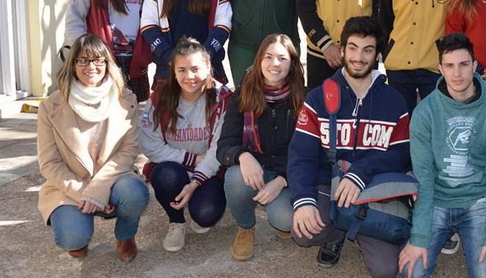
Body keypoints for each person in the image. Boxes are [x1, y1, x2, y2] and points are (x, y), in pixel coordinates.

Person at [288, 16, 411, 278]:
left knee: (385, 271)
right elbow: (301, 156)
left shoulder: (394, 100)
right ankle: (337, 234)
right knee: (304, 232)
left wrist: (361, 172)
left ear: (377, 54)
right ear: (342, 50)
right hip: (327, 185)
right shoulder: (318, 97)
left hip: (372, 189)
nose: (359, 57)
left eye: (367, 50)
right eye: (353, 48)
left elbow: (401, 154)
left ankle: (354, 224)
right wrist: (303, 201)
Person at [399, 34, 486, 278]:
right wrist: (419, 237)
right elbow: (423, 180)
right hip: (438, 199)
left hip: (476, 200)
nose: (457, 73)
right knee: (411, 272)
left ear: (475, 65)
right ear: (440, 69)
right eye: (449, 66)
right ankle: (443, 235)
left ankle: (472, 235)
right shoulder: (425, 112)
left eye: (463, 65)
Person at [37, 34, 150, 262]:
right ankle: (78, 234)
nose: (92, 67)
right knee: (72, 239)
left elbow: (128, 151)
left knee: (135, 193)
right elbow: (49, 163)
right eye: (83, 60)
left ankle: (125, 235)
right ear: (73, 65)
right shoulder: (50, 106)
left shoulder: (125, 98)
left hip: (114, 179)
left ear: (108, 64)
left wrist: (98, 190)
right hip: (71, 186)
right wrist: (83, 193)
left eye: (99, 60)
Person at [217, 34, 305, 261]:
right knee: (235, 177)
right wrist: (243, 155)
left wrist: (282, 179)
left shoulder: (303, 98)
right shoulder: (243, 94)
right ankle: (246, 226)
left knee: (285, 220)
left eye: (282, 58)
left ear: (292, 64)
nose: (274, 64)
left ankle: (278, 207)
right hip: (256, 170)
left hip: (288, 173)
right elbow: (224, 146)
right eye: (268, 57)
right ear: (259, 60)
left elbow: (309, 152)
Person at [139, 38, 232, 252]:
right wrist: (190, 159)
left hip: (209, 169)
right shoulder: (159, 98)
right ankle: (176, 221)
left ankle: (198, 201)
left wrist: (195, 181)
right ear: (173, 70)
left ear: (209, 67)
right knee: (165, 175)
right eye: (182, 70)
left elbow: (219, 148)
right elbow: (150, 145)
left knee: (206, 216)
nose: (189, 77)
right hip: (174, 167)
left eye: (195, 69)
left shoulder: (223, 98)